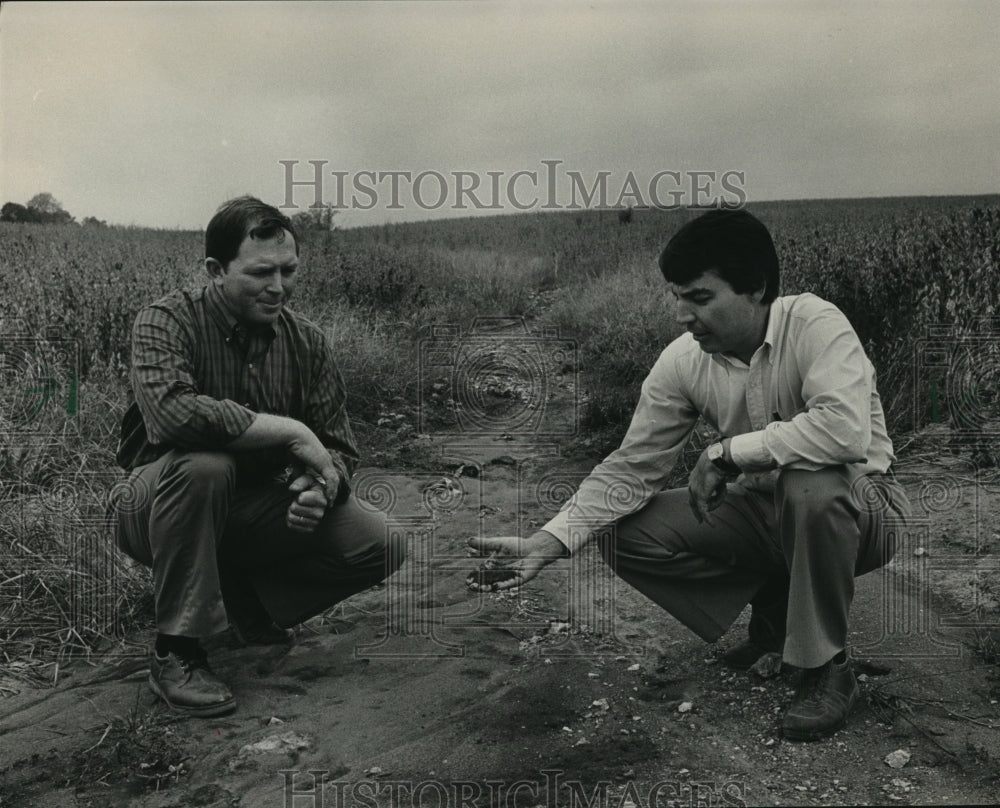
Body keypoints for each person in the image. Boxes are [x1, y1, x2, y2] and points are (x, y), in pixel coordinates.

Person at [468, 208, 910, 741]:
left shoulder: (816, 323)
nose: (682, 313)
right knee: (623, 532)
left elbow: (843, 433)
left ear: (756, 289)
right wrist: (551, 540)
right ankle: (777, 611)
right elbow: (632, 466)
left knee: (809, 483)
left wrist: (726, 453)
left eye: (699, 298)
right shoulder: (683, 360)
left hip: (864, 510)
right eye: (676, 296)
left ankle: (826, 666)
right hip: (767, 513)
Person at [111, 196, 403, 717]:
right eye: (261, 272)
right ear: (215, 270)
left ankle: (245, 605)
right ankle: (176, 650)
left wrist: (323, 485)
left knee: (381, 543)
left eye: (289, 270)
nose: (278, 287)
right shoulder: (164, 321)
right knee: (206, 465)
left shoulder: (307, 342)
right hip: (153, 508)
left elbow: (337, 444)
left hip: (250, 512)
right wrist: (288, 431)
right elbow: (172, 417)